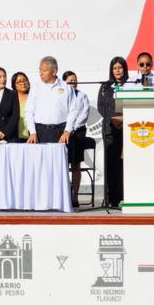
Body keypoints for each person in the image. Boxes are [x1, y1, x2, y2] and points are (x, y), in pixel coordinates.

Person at [97, 56, 129, 208]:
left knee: (126, 164)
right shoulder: (105, 87)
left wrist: (123, 119)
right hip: (110, 129)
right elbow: (101, 106)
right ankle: (111, 199)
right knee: (112, 164)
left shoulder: (132, 84)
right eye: (115, 68)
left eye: (120, 67)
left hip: (129, 128)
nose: (117, 70)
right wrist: (114, 119)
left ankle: (125, 196)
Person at [24, 56, 74, 144]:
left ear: (54, 71)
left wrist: (67, 131)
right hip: (39, 132)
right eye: (40, 70)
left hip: (61, 132)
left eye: (44, 71)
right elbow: (29, 111)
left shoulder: (66, 87)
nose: (41, 73)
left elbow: (73, 111)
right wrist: (32, 132)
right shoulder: (36, 87)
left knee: (60, 158)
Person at [62, 70, 91, 207]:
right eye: (70, 80)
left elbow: (84, 114)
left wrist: (72, 128)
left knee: (75, 164)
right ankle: (63, 194)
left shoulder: (82, 96)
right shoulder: (61, 95)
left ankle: (75, 195)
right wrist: (66, 128)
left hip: (77, 132)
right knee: (62, 165)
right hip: (62, 132)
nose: (73, 82)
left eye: (75, 80)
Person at [12, 71, 32, 142]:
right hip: (15, 136)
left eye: (25, 80)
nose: (23, 83)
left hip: (32, 135)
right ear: (14, 85)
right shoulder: (11, 99)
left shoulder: (33, 97)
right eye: (19, 82)